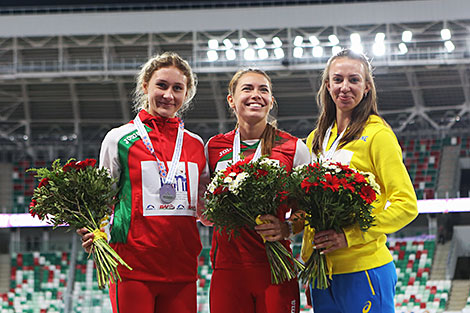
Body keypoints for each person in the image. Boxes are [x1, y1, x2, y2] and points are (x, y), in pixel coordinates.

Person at [77, 52, 209, 313]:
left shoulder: (195, 145)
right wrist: (97, 231)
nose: (168, 95)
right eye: (162, 85)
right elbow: (102, 198)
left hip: (183, 269)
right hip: (131, 267)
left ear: (186, 94)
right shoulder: (119, 139)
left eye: (177, 88)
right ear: (145, 85)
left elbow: (204, 208)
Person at [301, 49, 418, 313]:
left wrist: (350, 236)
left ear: (366, 87)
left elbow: (406, 205)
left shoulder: (378, 135)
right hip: (322, 272)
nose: (345, 87)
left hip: (364, 269)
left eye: (353, 80)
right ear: (327, 85)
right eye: (338, 79)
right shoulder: (315, 139)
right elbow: (308, 205)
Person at [204, 68, 310, 313]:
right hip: (228, 269)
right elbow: (205, 207)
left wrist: (288, 227)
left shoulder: (294, 148)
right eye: (247, 89)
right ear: (231, 100)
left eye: (264, 90)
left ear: (271, 101)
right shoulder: (214, 147)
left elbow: (308, 208)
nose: (256, 95)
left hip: (276, 267)